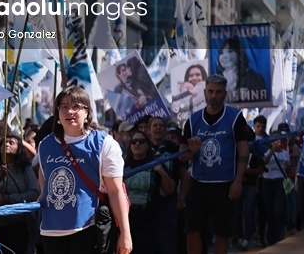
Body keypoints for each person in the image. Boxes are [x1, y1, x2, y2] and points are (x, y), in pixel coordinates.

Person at [35, 86, 131, 254]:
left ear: (87, 112)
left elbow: (116, 192)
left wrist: (125, 233)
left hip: (89, 228)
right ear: (57, 113)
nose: (69, 111)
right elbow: (44, 177)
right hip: (51, 231)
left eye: (76, 106)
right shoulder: (45, 145)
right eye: (64, 107)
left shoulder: (105, 143)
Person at [179, 74, 250, 254]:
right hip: (198, 184)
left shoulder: (235, 117)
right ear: (204, 92)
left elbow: (244, 151)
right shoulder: (193, 120)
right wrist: (192, 150)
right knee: (192, 230)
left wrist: (237, 182)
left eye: (218, 92)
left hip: (225, 185)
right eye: (210, 91)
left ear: (225, 94)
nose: (214, 96)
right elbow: (181, 157)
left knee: (221, 234)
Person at [0, 133, 40, 254]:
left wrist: (10, 199)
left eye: (11, 142)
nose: (7, 144)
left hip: (19, 223)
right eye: (4, 142)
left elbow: (34, 193)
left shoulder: (25, 167)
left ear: (18, 148)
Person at [123, 131, 175, 254]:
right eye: (134, 141)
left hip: (150, 221)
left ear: (147, 145)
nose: (137, 144)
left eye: (141, 141)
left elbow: (170, 189)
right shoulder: (122, 165)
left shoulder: (156, 163)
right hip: (128, 220)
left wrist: (162, 173)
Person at [215, 38, 267, 105]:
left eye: (229, 51)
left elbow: (261, 106)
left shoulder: (255, 78)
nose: (225, 56)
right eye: (221, 53)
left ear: (239, 54)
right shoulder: (215, 81)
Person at [260, 136, 289, 245]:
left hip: (279, 182)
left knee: (278, 210)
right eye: (274, 141)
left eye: (279, 140)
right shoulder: (267, 152)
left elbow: (288, 166)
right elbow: (264, 162)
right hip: (267, 182)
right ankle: (270, 238)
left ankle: (278, 236)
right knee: (269, 211)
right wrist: (272, 151)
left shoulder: (285, 153)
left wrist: (287, 165)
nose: (277, 142)